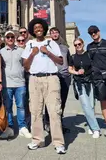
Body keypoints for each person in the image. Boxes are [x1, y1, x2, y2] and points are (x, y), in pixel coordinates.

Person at [21, 18, 66, 154]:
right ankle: (37, 140)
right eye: (35, 28)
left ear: (44, 29)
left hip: (51, 78)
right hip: (34, 79)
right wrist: (33, 54)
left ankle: (58, 142)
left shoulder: (52, 43)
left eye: (40, 27)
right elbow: (25, 66)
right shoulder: (29, 44)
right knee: (35, 111)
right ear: (32, 31)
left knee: (54, 111)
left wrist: (48, 52)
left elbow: (60, 61)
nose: (38, 29)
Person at [0, 31, 32, 140]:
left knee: (21, 106)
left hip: (20, 83)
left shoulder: (21, 51)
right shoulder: (1, 51)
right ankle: (9, 128)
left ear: (14, 38)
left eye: (12, 37)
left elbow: (27, 65)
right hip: (7, 83)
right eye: (8, 37)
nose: (10, 38)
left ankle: (23, 127)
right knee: (8, 107)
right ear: (5, 39)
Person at [69, 38, 100, 138]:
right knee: (86, 105)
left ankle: (90, 126)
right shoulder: (73, 57)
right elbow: (69, 69)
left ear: (83, 44)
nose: (78, 46)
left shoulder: (89, 54)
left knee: (91, 105)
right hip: (79, 82)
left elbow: (95, 66)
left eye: (79, 44)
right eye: (75, 45)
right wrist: (77, 72)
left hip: (90, 81)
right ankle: (96, 129)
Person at [44, 27, 71, 133]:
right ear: (50, 35)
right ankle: (47, 122)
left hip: (64, 76)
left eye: (56, 32)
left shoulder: (65, 48)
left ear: (59, 34)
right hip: (52, 76)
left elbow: (69, 61)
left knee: (62, 101)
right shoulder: (47, 47)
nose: (54, 34)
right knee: (49, 101)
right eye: (52, 33)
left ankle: (59, 122)